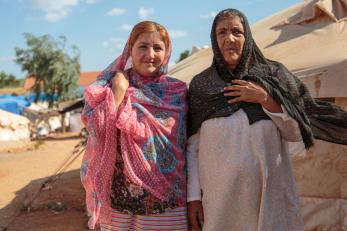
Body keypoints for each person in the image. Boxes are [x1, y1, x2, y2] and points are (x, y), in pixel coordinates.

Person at [187, 8, 347, 231]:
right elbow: (192, 145)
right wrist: (193, 196)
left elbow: (294, 132)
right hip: (220, 200)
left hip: (269, 194)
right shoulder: (201, 86)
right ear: (214, 40)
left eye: (236, 31)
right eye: (221, 32)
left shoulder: (273, 75)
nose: (229, 38)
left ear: (248, 37)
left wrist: (266, 99)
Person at [80, 21, 188, 230]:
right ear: (130, 50)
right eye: (143, 46)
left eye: (158, 48)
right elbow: (96, 131)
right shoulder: (108, 88)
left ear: (166, 53)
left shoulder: (178, 91)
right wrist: (119, 91)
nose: (150, 54)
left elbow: (187, 144)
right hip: (119, 202)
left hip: (167, 203)